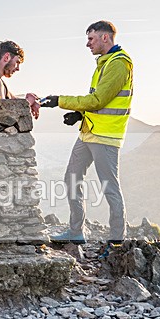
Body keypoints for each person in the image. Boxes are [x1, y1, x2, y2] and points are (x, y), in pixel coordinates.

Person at [39, 20, 133, 251]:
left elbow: (98, 100)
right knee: (71, 177)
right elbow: (98, 100)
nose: (87, 44)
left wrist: (59, 101)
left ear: (105, 37)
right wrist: (79, 114)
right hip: (89, 132)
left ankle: (117, 239)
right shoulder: (103, 63)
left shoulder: (119, 64)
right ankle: (76, 231)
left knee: (109, 186)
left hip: (106, 136)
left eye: (91, 39)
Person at [0, 40, 40, 119]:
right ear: (7, 57)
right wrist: (29, 103)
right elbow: (2, 116)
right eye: (17, 62)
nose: (18, 68)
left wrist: (30, 101)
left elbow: (13, 100)